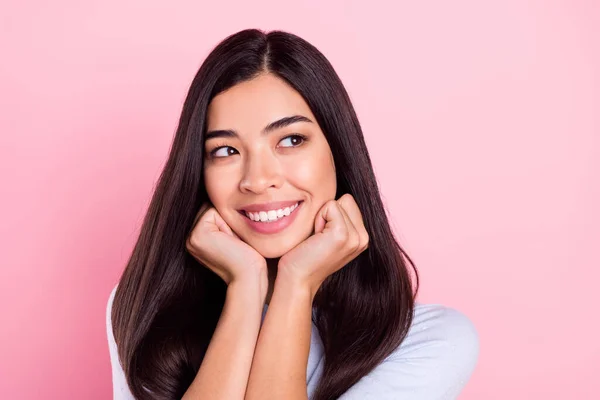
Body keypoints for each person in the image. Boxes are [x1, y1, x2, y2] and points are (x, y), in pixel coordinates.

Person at [106, 28, 480, 400]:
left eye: (290, 140)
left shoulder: (431, 342)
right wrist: (245, 290)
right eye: (225, 151)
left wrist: (297, 284)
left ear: (338, 150)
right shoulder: (144, 306)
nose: (258, 179)